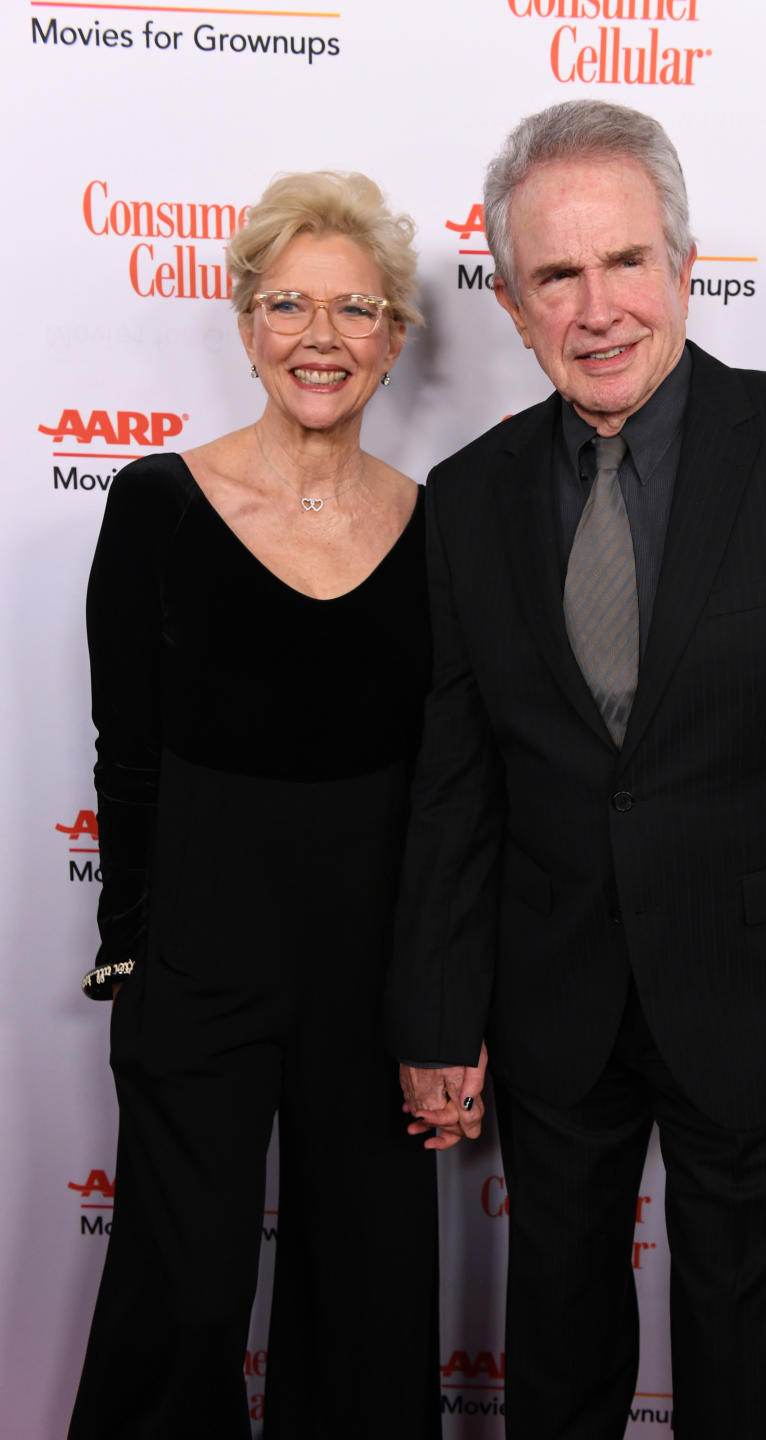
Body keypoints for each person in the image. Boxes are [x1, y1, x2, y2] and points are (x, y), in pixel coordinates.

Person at [386, 101, 766, 1439]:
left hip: (763, 999)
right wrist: (431, 1013)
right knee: (559, 1338)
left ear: (685, 264)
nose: (598, 309)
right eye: (556, 277)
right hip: (552, 1000)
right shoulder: (463, 502)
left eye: (625, 261)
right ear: (513, 304)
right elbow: (457, 787)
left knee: (745, 1347)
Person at [69, 171, 439, 1440]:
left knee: (369, 1296)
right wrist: (133, 949)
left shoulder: (437, 531)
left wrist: (443, 994)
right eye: (290, 304)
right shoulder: (158, 506)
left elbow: (454, 787)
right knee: (184, 1294)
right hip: (198, 967)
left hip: (374, 976)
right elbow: (128, 756)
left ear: (395, 338)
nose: (320, 338)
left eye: (355, 309)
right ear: (245, 325)